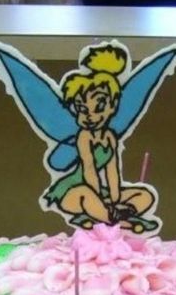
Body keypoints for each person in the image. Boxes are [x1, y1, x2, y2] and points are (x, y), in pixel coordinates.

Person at [43, 45, 155, 232]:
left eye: (99, 106)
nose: (89, 115)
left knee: (145, 196)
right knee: (86, 196)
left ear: (113, 106)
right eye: (82, 108)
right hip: (75, 190)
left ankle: (108, 215)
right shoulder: (84, 136)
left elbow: (112, 171)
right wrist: (102, 199)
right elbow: (89, 169)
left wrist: (114, 197)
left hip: (101, 193)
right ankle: (121, 221)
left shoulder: (110, 137)